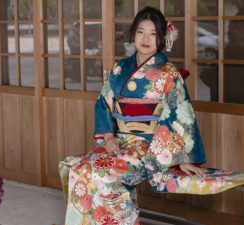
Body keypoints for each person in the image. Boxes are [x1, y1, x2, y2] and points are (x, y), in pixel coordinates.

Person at [59, 7, 244, 225]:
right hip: (118, 142)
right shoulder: (119, 68)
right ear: (132, 35)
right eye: (140, 32)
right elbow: (103, 103)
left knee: (102, 175)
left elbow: (179, 116)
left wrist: (181, 159)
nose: (145, 39)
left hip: (149, 147)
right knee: (80, 169)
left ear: (161, 39)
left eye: (153, 33)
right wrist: (108, 137)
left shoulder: (168, 73)